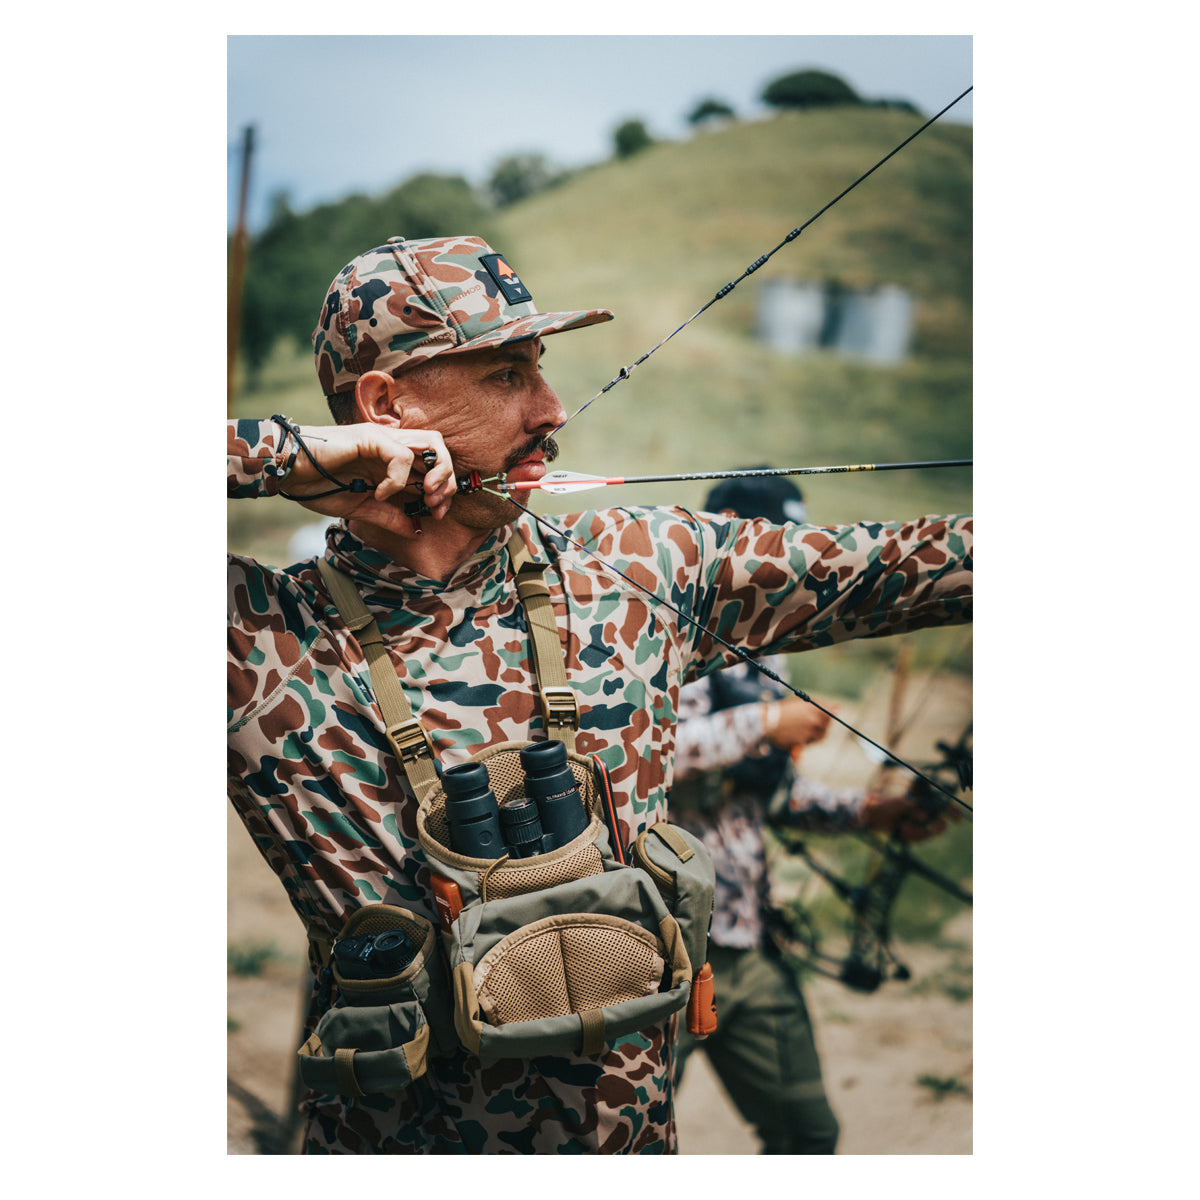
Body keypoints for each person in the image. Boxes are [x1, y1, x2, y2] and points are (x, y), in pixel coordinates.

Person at [227, 233, 973, 1154]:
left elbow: (922, 565)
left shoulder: (638, 567)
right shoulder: (261, 638)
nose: (551, 409)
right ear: (386, 407)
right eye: (506, 375)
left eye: (540, 370)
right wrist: (287, 456)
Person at [669, 474, 953, 1154]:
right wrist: (765, 724)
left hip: (746, 942)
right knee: (621, 1146)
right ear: (729, 525)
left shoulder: (763, 648)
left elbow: (773, 796)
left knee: (808, 1135)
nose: (794, 561)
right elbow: (648, 754)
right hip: (658, 950)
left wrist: (875, 812)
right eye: (782, 541)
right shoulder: (663, 630)